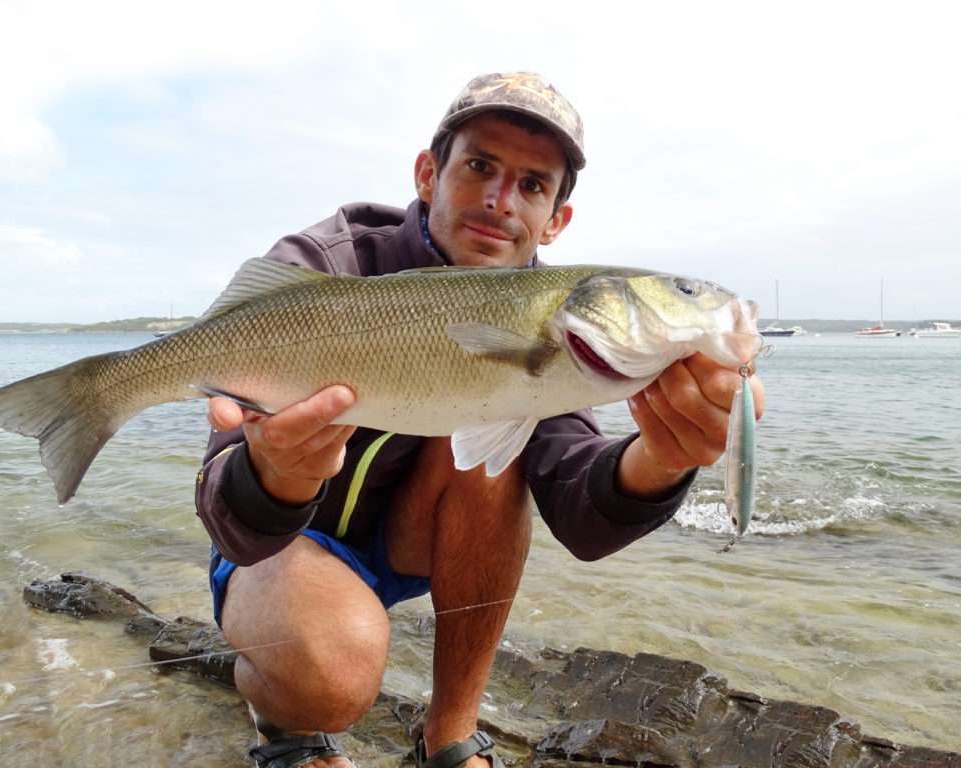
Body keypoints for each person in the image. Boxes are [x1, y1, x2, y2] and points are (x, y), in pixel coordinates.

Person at [195, 71, 764, 768]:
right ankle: (285, 722)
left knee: (495, 458)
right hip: (279, 545)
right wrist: (274, 474)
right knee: (333, 678)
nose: (500, 201)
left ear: (555, 220)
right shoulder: (330, 260)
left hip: (404, 543)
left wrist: (663, 457)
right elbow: (223, 510)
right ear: (428, 175)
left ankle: (449, 736)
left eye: (533, 184)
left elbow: (580, 509)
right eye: (479, 167)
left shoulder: (561, 326)